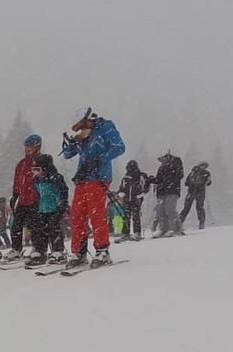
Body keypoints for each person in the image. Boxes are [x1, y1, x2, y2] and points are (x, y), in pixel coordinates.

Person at [60, 107, 126, 268]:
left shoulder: (106, 127)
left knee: (96, 214)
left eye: (82, 125)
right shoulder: (82, 135)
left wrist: (100, 159)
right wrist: (73, 142)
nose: (80, 130)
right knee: (77, 214)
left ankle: (102, 250)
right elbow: (68, 154)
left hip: (99, 177)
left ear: (90, 120)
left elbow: (119, 147)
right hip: (83, 178)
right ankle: (79, 252)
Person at [25, 153, 69, 267]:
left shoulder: (55, 178)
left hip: (54, 208)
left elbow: (63, 192)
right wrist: (34, 208)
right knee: (39, 230)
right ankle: (40, 251)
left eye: (37, 170)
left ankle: (58, 251)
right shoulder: (36, 180)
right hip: (42, 209)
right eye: (33, 170)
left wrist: (61, 206)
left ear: (45, 168)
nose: (35, 173)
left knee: (54, 229)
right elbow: (38, 195)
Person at [5, 134, 44, 262]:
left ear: (37, 147)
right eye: (26, 147)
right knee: (16, 225)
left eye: (30, 147)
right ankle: (16, 249)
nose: (27, 149)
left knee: (36, 226)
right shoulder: (21, 164)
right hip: (23, 200)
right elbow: (17, 181)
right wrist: (15, 195)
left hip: (36, 199)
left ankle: (38, 249)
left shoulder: (41, 161)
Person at [150, 151, 184, 237]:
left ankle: (175, 229)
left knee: (170, 210)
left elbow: (179, 175)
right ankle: (163, 229)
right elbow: (158, 180)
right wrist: (151, 180)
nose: (161, 161)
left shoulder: (175, 164)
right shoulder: (161, 168)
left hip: (171, 191)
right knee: (161, 211)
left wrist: (168, 183)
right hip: (162, 192)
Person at [116, 160, 149, 242]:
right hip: (127, 199)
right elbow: (122, 187)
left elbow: (145, 186)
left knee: (135, 216)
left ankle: (136, 233)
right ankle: (126, 233)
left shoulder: (140, 176)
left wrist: (141, 194)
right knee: (127, 217)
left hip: (136, 199)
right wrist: (120, 193)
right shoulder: (126, 177)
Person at [180, 161, 212, 230]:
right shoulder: (206, 173)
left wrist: (192, 185)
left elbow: (186, 183)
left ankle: (179, 222)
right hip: (200, 191)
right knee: (200, 207)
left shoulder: (193, 172)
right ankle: (201, 223)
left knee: (186, 208)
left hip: (191, 191)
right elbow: (209, 183)